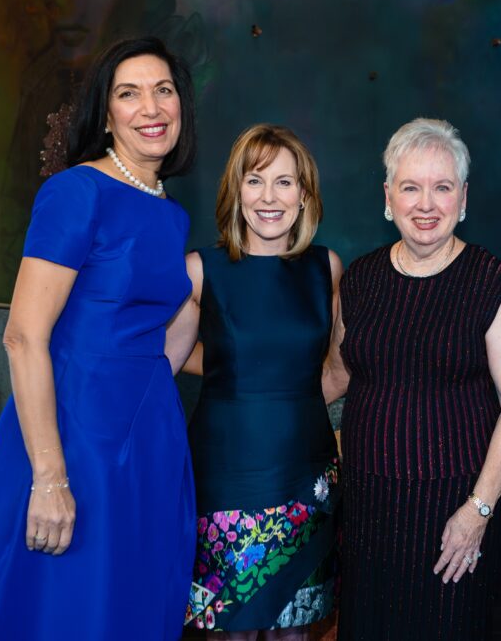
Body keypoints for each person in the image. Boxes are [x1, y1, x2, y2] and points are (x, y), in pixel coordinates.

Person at [0, 37, 198, 640]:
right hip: (74, 436)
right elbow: (24, 336)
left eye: (163, 90)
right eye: (128, 94)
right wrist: (49, 477)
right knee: (67, 608)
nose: (151, 107)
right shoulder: (76, 192)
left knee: (129, 604)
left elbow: (158, 341)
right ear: (105, 115)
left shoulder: (171, 212)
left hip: (148, 438)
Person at [322, 118, 501, 640]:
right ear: (388, 196)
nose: (426, 204)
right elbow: (334, 376)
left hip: (452, 513)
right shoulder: (361, 279)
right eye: (411, 187)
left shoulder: (490, 281)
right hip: (369, 509)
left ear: (462, 198)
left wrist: (478, 510)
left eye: (441, 188)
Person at [165, 124, 342, 638]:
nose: (269, 197)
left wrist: (290, 407)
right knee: (230, 630)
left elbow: (338, 368)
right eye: (256, 180)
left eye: (285, 183)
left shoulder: (326, 268)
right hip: (225, 476)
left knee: (297, 628)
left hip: (306, 476)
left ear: (304, 195)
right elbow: (161, 363)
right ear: (235, 190)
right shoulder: (201, 269)